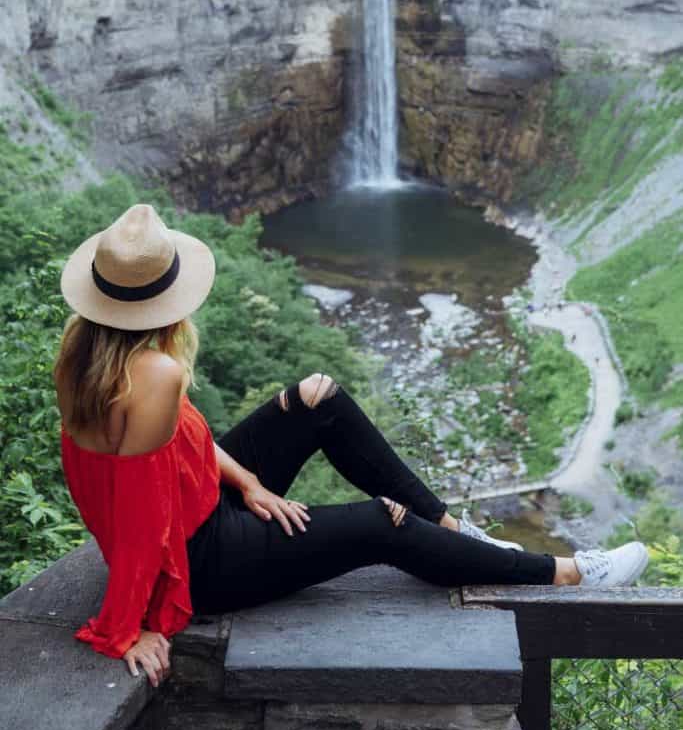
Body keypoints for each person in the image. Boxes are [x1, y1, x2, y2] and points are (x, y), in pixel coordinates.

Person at [54, 205, 650, 688]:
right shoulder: (156, 371)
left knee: (318, 398)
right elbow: (139, 517)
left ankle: (453, 530)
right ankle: (564, 573)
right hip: (196, 563)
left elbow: (182, 449)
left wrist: (250, 483)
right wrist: (131, 627)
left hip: (200, 509)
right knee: (380, 523)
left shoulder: (85, 353)